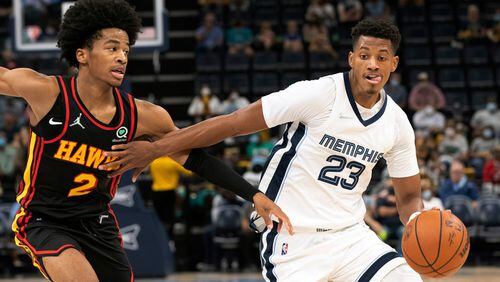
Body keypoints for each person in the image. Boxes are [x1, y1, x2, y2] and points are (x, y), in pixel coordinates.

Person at [102, 19, 426, 281]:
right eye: (365, 55)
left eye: (382, 57)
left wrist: (420, 224)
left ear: (394, 63)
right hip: (292, 237)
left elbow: (409, 197)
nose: (373, 64)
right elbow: (233, 123)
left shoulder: (397, 124)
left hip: (352, 237)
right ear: (351, 58)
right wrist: (157, 149)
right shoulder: (317, 95)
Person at [0, 1, 291, 281]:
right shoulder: (47, 92)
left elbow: (197, 159)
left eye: (126, 50)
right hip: (44, 219)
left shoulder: (143, 116)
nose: (122, 57)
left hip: (96, 221)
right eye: (112, 48)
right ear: (82, 55)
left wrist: (254, 195)